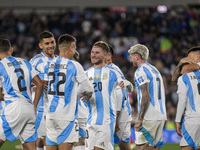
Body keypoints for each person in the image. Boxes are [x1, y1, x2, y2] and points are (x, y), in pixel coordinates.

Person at [36, 33, 94, 150]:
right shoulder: (74, 65)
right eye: (75, 47)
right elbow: (89, 88)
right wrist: (81, 94)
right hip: (66, 117)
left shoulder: (48, 64)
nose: (76, 49)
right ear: (71, 47)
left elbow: (43, 84)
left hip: (50, 115)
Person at [85, 41, 133, 150]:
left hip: (106, 121)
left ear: (105, 55)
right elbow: (76, 92)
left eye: (97, 52)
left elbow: (129, 87)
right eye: (92, 52)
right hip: (90, 121)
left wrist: (127, 85)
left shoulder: (113, 72)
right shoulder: (86, 73)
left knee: (122, 144)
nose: (93, 55)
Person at [0, 38, 43, 150]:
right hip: (29, 109)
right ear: (11, 49)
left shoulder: (1, 66)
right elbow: (40, 84)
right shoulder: (25, 62)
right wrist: (34, 105)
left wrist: (8, 96)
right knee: (30, 148)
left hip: (14, 108)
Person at [128, 44, 167, 150]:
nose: (131, 60)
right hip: (161, 114)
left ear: (137, 56)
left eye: (131, 57)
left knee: (140, 147)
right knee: (154, 147)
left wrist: (140, 119)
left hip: (150, 115)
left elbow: (146, 96)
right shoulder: (155, 70)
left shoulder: (140, 71)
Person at [29, 31, 57, 150]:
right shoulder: (35, 61)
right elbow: (25, 82)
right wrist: (38, 82)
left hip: (55, 105)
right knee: (40, 140)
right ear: (41, 45)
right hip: (41, 106)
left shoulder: (59, 61)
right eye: (47, 43)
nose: (50, 45)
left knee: (50, 140)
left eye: (52, 42)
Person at [105, 44, 132, 150]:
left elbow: (119, 93)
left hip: (120, 114)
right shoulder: (108, 69)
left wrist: (116, 118)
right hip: (115, 113)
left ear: (109, 55)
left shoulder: (112, 70)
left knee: (123, 144)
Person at [175, 47, 200, 150]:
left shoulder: (183, 78)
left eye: (189, 58)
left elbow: (182, 101)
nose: (187, 61)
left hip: (192, 119)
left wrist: (177, 121)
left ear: (198, 57)